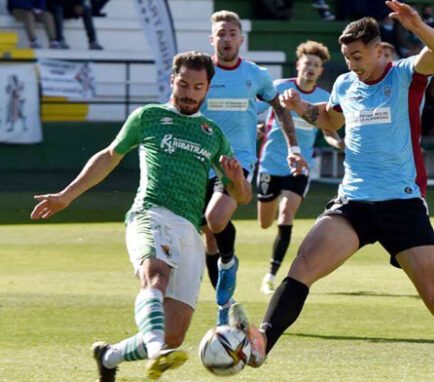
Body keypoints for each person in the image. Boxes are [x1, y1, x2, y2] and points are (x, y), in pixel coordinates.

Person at [263, 5, 434, 381]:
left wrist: (415, 24)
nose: (352, 64)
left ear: (377, 49)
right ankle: (260, 345)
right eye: (347, 58)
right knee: (303, 266)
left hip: (402, 204)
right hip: (353, 202)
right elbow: (330, 119)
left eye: (357, 56)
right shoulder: (345, 85)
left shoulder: (405, 75)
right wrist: (302, 107)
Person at [30, 51, 252, 381]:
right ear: (172, 80)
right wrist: (66, 196)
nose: (189, 93)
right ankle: (155, 350)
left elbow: (242, 198)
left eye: (198, 87)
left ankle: (109, 356)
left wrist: (236, 179)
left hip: (189, 230)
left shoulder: (213, 133)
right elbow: (109, 156)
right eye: (184, 84)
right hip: (150, 214)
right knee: (155, 276)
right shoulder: (148, 117)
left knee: (174, 334)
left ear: (207, 89)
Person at [201, 10, 306, 326]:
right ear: (212, 39)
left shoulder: (256, 75)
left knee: (216, 218)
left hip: (239, 161)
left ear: (241, 38)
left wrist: (293, 148)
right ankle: (225, 305)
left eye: (232, 32)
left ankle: (229, 261)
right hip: (200, 163)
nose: (227, 38)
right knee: (209, 236)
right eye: (221, 33)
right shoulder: (201, 73)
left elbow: (280, 108)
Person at [257, 40, 344, 294]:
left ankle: (271, 275)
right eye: (307, 63)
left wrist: (336, 142)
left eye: (316, 65)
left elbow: (327, 131)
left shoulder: (323, 99)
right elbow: (254, 110)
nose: (311, 68)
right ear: (298, 65)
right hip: (270, 163)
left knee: (286, 214)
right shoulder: (278, 88)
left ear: (320, 72)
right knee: (264, 222)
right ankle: (272, 265)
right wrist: (256, 128)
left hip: (300, 166)